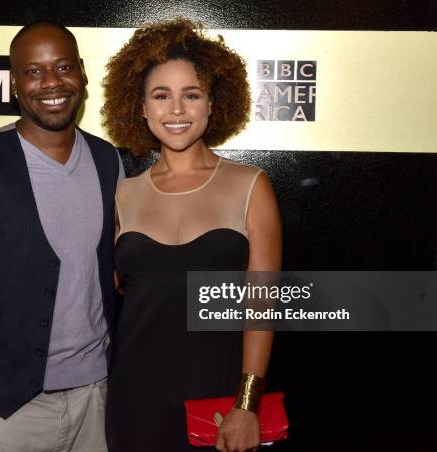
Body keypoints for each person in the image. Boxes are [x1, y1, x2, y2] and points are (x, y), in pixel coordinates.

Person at [0, 21, 123, 452]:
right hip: (9, 412)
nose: (51, 82)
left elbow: (111, 274)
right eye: (33, 72)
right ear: (14, 84)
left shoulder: (108, 159)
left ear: (83, 73)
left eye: (63, 67)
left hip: (98, 401)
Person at [101, 19, 282, 452]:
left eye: (192, 95)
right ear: (141, 107)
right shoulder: (123, 195)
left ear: (212, 105)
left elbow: (263, 306)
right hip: (134, 401)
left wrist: (246, 403)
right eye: (161, 95)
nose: (176, 110)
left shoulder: (250, 186)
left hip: (220, 408)